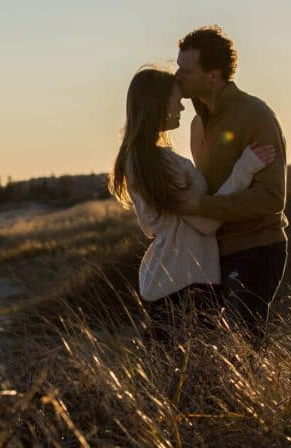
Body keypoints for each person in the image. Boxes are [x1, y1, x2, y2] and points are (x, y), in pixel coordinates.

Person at [108, 67, 276, 343]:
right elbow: (205, 221)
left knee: (178, 376)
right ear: (158, 105)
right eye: (176, 100)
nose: (182, 107)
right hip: (186, 281)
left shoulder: (139, 160)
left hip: (168, 278)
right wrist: (244, 169)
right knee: (198, 375)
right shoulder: (161, 165)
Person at [173, 25, 288, 350]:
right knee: (207, 354)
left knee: (241, 352)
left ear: (213, 76)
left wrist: (202, 207)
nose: (177, 76)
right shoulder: (197, 123)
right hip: (212, 255)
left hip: (256, 249)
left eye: (186, 69)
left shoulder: (256, 115)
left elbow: (271, 199)